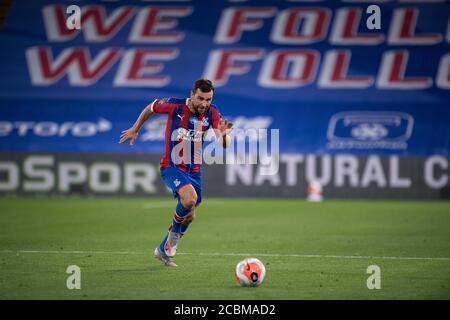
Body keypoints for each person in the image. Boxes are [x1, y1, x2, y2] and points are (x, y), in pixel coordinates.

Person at [119, 79, 232, 267]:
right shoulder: (174, 106)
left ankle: (163, 249)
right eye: (201, 98)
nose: (204, 104)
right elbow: (151, 107)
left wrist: (225, 134)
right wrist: (135, 128)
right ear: (192, 94)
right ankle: (173, 240)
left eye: (208, 99)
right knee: (189, 200)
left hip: (194, 171)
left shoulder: (212, 112)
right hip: (171, 166)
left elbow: (224, 145)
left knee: (190, 215)